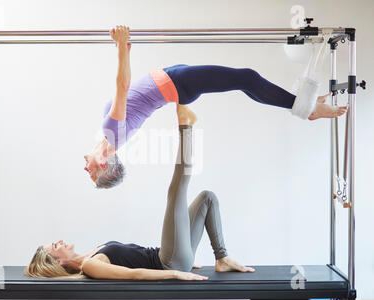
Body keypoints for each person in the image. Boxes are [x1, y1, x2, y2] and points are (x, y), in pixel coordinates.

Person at [84, 25, 348, 189]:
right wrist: (120, 46)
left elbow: (128, 93)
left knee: (244, 82)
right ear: (105, 163)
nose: (87, 170)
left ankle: (305, 106)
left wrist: (126, 51)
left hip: (175, 83)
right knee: (246, 77)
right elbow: (122, 86)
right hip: (177, 83)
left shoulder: (109, 137)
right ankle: (306, 108)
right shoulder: (112, 134)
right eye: (94, 173)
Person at [26, 106, 254, 280]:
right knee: (177, 188)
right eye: (54, 246)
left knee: (207, 198)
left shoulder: (91, 254)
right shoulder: (90, 266)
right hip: (169, 263)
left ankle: (222, 258)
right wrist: (175, 273)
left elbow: (137, 258)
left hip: (171, 256)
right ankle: (186, 127)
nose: (59, 241)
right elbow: (134, 275)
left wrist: (181, 253)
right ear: (56, 261)